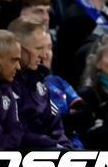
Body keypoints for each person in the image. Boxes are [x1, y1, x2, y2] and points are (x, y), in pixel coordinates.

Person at [8, 16, 73, 149]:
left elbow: (56, 128)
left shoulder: (40, 83)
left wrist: (66, 149)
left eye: (49, 48)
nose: (45, 55)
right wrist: (52, 146)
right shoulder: (3, 84)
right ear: (17, 49)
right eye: (39, 48)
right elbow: (13, 134)